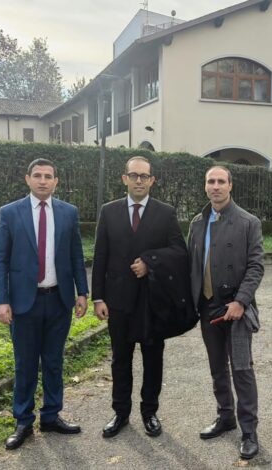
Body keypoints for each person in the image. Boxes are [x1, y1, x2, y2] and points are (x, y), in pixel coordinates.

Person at [0, 158, 89, 450]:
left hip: (59, 300)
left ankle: (51, 416)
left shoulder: (68, 213)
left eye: (48, 176)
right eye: (38, 176)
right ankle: (23, 421)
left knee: (53, 361)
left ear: (56, 181)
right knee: (25, 364)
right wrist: (1, 300)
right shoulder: (10, 212)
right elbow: (1, 260)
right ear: (28, 179)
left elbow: (76, 255)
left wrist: (82, 292)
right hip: (24, 303)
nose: (43, 181)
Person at [92, 156, 188, 439]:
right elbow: (100, 256)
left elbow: (179, 253)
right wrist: (98, 297)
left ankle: (150, 412)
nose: (138, 181)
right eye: (133, 175)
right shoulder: (109, 211)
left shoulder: (165, 213)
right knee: (120, 359)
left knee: (153, 358)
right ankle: (120, 412)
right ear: (124, 179)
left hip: (152, 301)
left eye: (144, 176)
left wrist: (150, 260)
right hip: (118, 300)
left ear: (152, 180)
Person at [187, 166, 264, 460]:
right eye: (211, 181)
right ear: (205, 186)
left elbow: (256, 266)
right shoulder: (197, 223)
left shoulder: (248, 222)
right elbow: (191, 264)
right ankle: (225, 416)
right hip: (208, 307)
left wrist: (241, 301)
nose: (216, 186)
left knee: (242, 370)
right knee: (217, 367)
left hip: (236, 309)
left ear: (230, 186)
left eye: (221, 181)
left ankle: (249, 432)